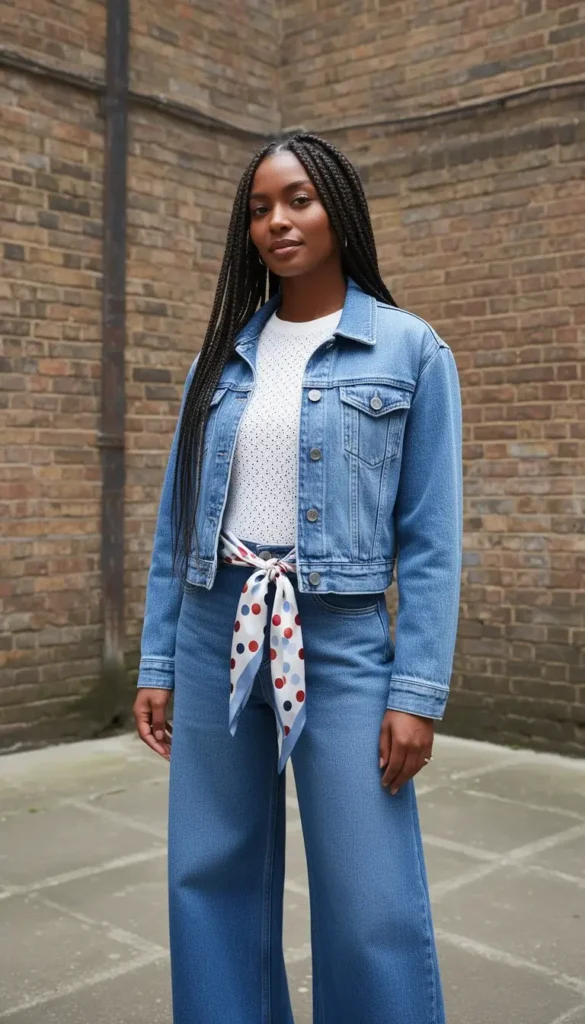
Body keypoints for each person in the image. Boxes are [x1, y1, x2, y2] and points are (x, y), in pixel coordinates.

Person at [133, 130, 463, 1024]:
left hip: (343, 639)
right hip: (215, 625)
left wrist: (416, 691)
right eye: (258, 208)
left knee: (369, 892)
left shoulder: (410, 351)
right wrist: (159, 659)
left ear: (338, 210)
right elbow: (176, 522)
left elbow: (432, 541)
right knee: (209, 872)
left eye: (297, 200)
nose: (275, 221)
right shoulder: (220, 357)